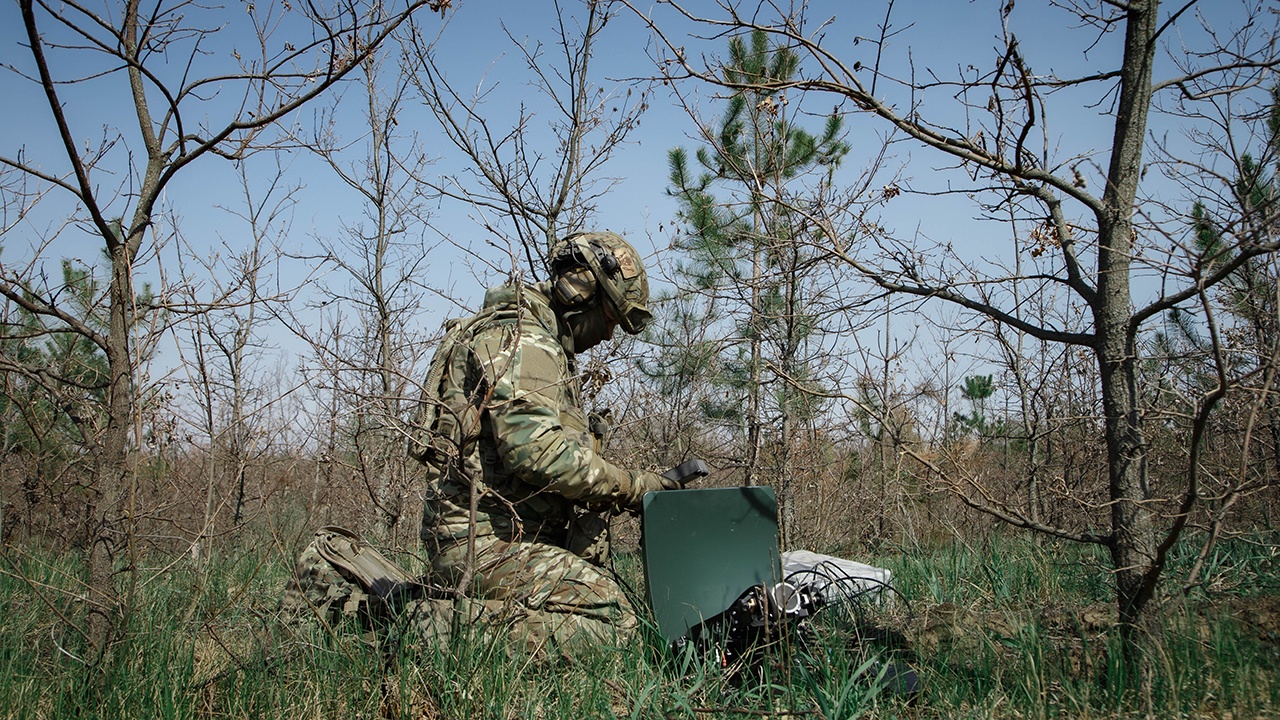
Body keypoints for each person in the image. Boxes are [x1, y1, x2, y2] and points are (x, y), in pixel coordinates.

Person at [406, 230, 677, 653]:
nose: (609, 335)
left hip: (512, 538)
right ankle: (427, 629)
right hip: (482, 544)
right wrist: (632, 486)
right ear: (580, 292)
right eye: (609, 318)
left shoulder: (543, 342)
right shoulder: (521, 338)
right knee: (616, 621)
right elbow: (537, 453)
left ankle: (450, 611)